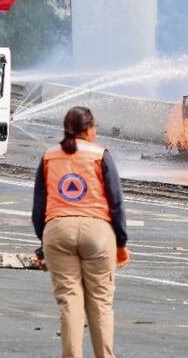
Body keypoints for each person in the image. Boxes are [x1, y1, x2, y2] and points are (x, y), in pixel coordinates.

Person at [32, 107, 129, 358]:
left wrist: (44, 243)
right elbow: (116, 202)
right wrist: (120, 242)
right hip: (97, 231)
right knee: (100, 303)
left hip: (57, 230)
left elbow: (38, 207)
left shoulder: (49, 155)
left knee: (69, 301)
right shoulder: (100, 154)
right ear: (88, 129)